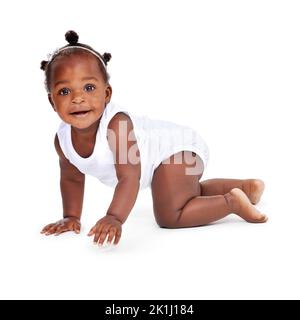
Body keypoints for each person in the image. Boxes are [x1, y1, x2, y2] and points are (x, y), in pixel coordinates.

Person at [40, 31, 267, 246]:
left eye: (89, 87)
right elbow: (72, 179)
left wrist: (114, 217)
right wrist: (71, 216)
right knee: (183, 194)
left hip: (177, 151)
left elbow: (129, 177)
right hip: (169, 161)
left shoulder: (117, 126)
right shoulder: (63, 141)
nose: (78, 98)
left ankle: (232, 202)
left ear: (107, 94)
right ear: (52, 101)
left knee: (170, 215)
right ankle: (245, 188)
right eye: (64, 92)